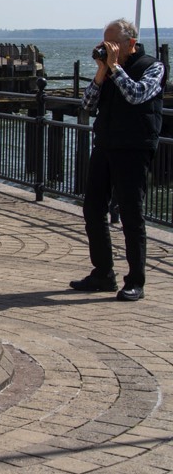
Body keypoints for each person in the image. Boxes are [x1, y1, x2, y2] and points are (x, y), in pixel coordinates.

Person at [71, 19, 164, 302]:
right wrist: (101, 72)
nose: (106, 48)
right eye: (104, 42)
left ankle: (135, 280)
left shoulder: (153, 66)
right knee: (92, 210)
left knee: (131, 215)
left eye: (112, 43)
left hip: (134, 148)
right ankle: (103, 273)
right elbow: (86, 106)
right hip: (106, 144)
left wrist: (115, 67)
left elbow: (136, 95)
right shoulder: (109, 70)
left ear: (130, 43)